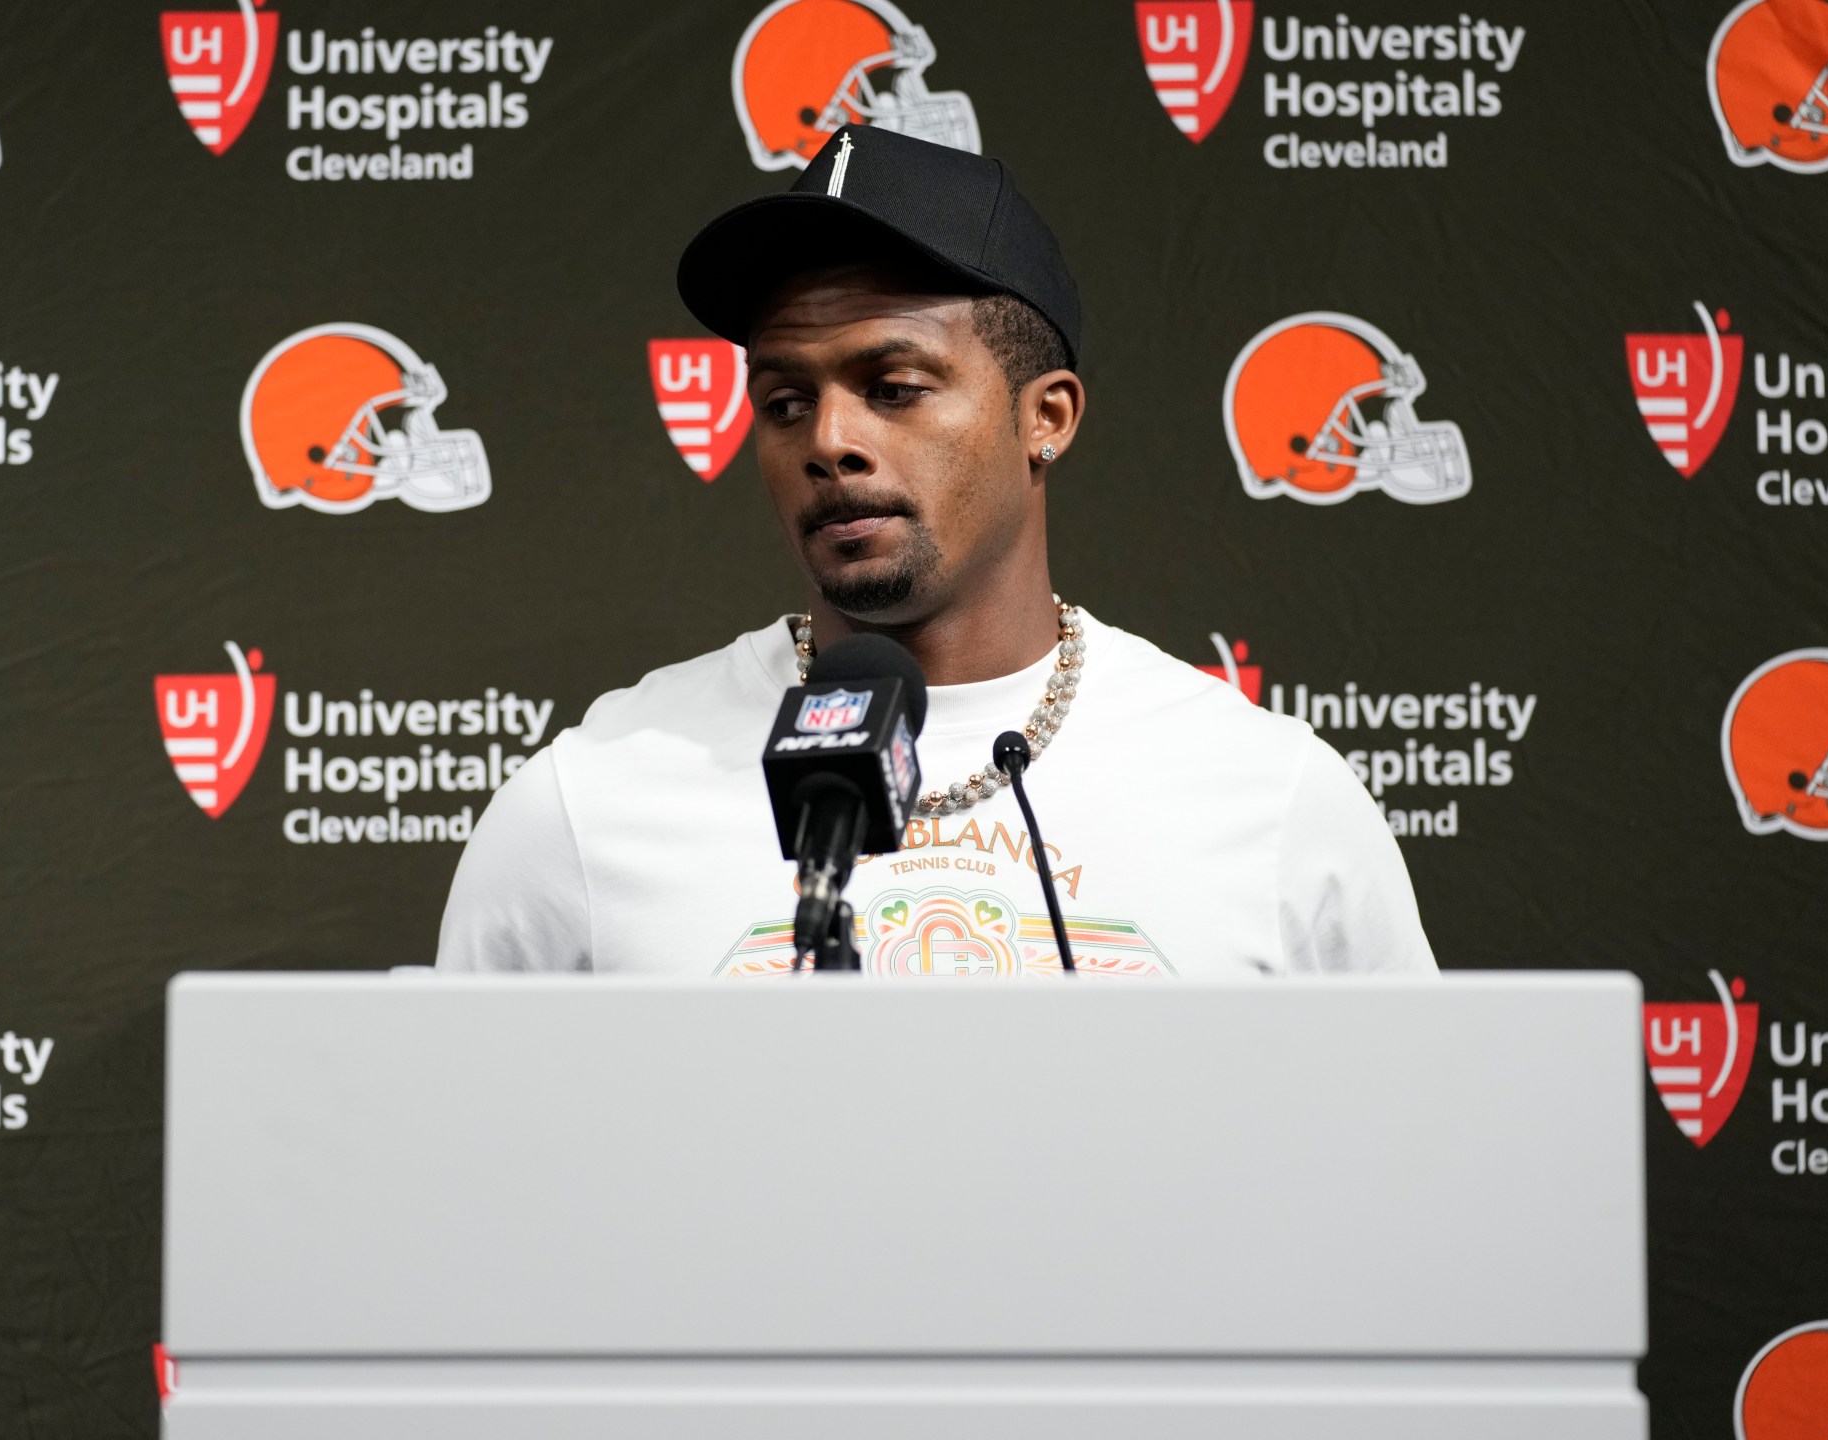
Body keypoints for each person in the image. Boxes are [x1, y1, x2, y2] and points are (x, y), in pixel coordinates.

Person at [438, 125, 1435, 978]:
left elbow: (1416, 1160)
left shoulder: (1266, 796)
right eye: (785, 402)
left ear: (1044, 417)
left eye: (895, 387)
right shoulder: (590, 800)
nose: (828, 440)